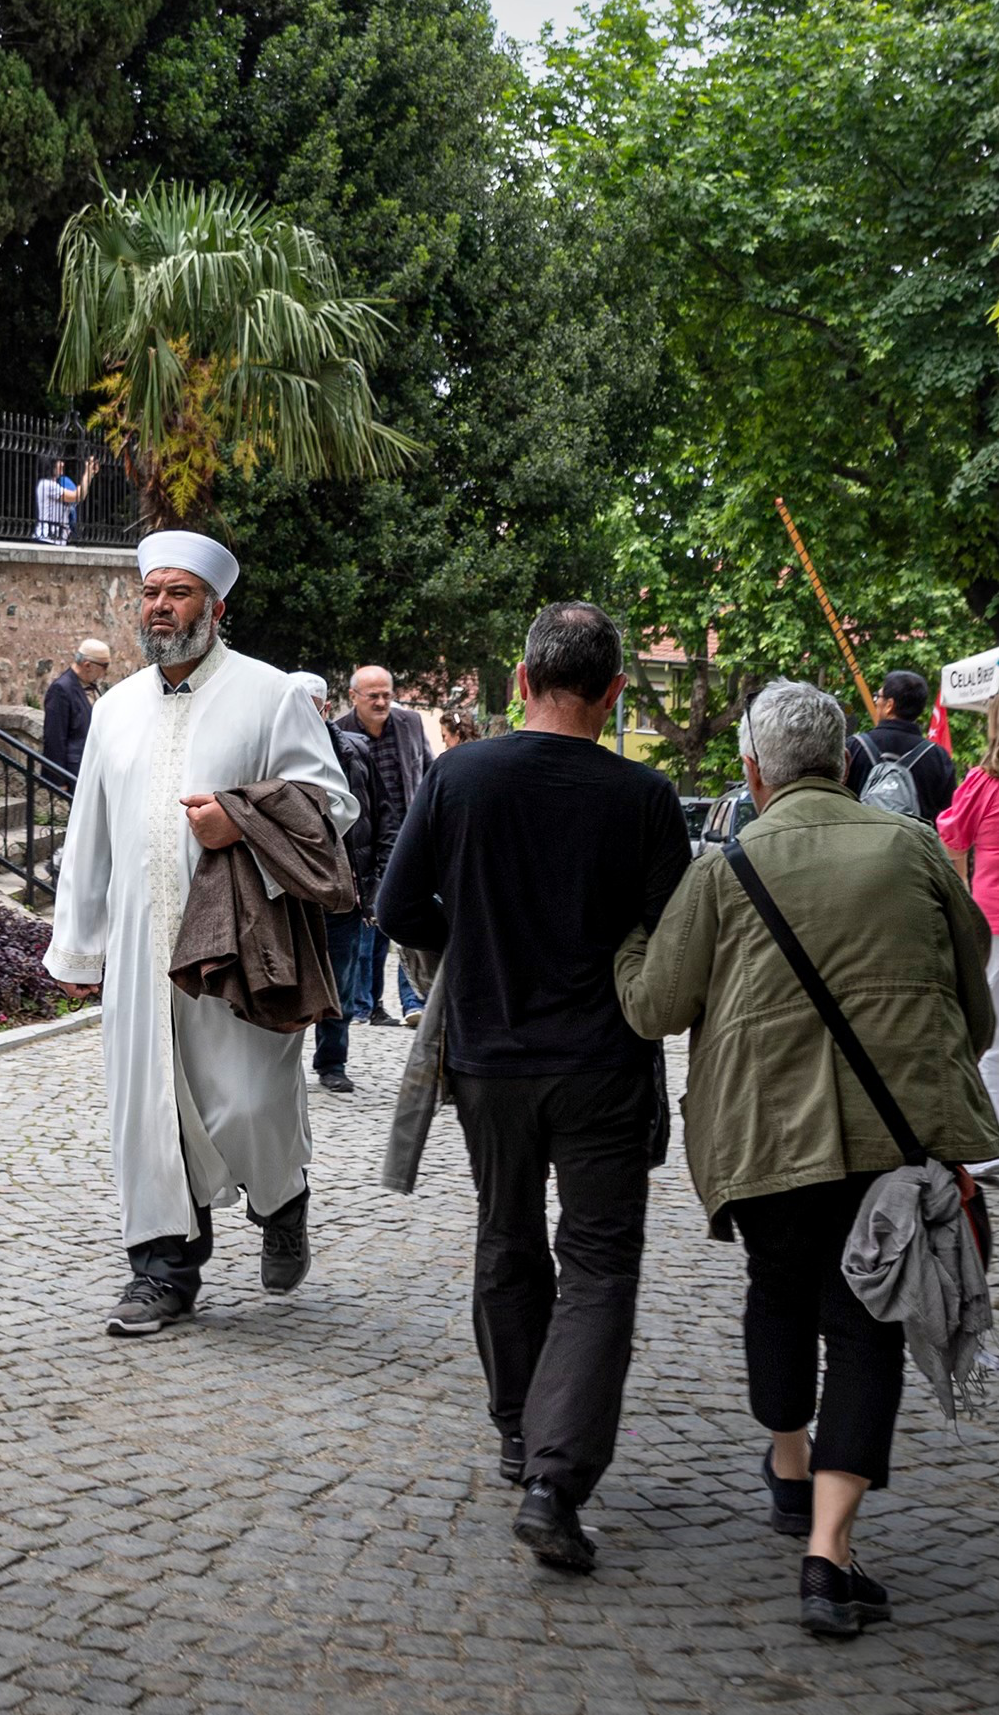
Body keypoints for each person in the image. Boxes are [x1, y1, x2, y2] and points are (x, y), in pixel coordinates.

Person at [616, 679, 999, 1636]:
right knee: (868, 1329)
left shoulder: (725, 868)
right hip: (898, 1136)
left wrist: (627, 947)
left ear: (753, 770)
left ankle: (789, 1466)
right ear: (843, 762)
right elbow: (976, 995)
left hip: (766, 1135)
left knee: (779, 1291)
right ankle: (829, 1555)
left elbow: (656, 1007)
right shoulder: (913, 847)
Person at [377, 602, 691, 1573]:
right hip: (603, 1062)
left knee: (505, 1236)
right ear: (615, 692)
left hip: (490, 1058)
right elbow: (672, 932)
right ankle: (555, 1479)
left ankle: (518, 1428)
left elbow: (396, 905)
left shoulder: (459, 775)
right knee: (598, 1262)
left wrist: (471, 932)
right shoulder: (645, 796)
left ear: (521, 680)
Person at [43, 531, 357, 1336]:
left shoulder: (271, 694)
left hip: (242, 944)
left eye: (178, 593)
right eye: (151, 593)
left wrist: (241, 820)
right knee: (149, 1111)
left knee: (250, 1100)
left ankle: (282, 1199)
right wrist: (79, 945)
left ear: (215, 608)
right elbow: (89, 832)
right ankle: (161, 1272)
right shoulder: (115, 709)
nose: (160, 607)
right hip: (140, 954)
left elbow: (332, 803)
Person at [289, 672, 396, 1096]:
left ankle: (332, 1061)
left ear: (326, 709)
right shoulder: (272, 749)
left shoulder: (354, 752)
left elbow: (382, 818)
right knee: (285, 977)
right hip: (290, 888)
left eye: (309, 710)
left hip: (342, 889)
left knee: (341, 982)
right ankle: (277, 1064)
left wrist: (377, 882)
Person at [337, 665, 434, 1027]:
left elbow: (428, 771)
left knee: (408, 920)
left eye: (387, 695)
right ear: (354, 697)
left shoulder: (411, 723)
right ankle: (364, 1004)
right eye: (373, 696)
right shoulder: (341, 732)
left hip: (410, 837)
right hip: (366, 842)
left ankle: (411, 1002)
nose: (381, 702)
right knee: (368, 927)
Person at [938, 693, 999, 1118]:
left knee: (991, 1036)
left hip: (992, 921)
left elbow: (952, 838)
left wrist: (961, 881)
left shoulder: (983, 783)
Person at [845, 669, 955, 825]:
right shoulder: (938, 757)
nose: (876, 701)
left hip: (858, 838)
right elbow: (947, 816)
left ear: (889, 705)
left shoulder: (854, 747)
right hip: (915, 840)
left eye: (878, 696)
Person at [43, 640, 112, 791]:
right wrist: (58, 780)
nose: (105, 673)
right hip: (75, 771)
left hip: (92, 768)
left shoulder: (90, 685)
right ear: (87, 665)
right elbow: (55, 736)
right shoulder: (61, 689)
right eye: (104, 666)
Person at [35, 452, 98, 545]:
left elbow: (81, 495)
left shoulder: (58, 484)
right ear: (51, 466)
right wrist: (87, 472)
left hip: (56, 541)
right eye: (59, 462)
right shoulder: (46, 485)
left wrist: (90, 473)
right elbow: (78, 496)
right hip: (46, 540)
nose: (62, 464)